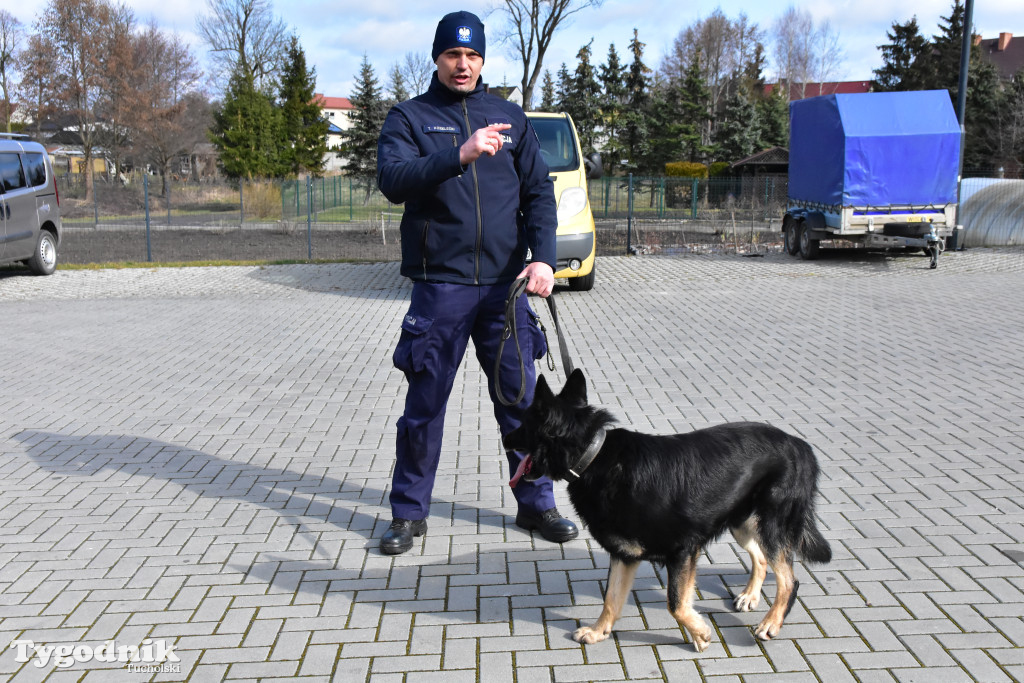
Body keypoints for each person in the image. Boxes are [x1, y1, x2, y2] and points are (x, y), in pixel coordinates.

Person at [376, 10, 579, 555]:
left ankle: (537, 505)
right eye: (452, 55)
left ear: (482, 60)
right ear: (437, 58)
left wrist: (544, 261)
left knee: (522, 401)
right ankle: (408, 514)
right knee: (425, 406)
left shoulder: (510, 118)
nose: (462, 65)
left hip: (505, 289)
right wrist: (457, 155)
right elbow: (393, 181)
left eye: (471, 56)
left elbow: (539, 194)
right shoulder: (410, 118)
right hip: (440, 287)